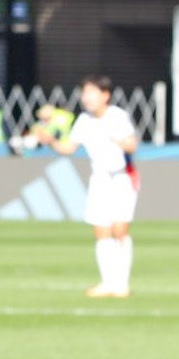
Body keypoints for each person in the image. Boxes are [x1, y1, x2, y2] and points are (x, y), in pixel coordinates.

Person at [47, 76, 140, 298]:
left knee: (119, 230)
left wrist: (118, 139)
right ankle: (107, 282)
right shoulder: (84, 121)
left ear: (105, 95)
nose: (86, 97)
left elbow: (131, 145)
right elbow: (70, 147)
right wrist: (50, 141)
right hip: (99, 179)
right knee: (101, 230)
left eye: (91, 92)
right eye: (84, 92)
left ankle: (121, 283)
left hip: (122, 177)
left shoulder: (117, 116)